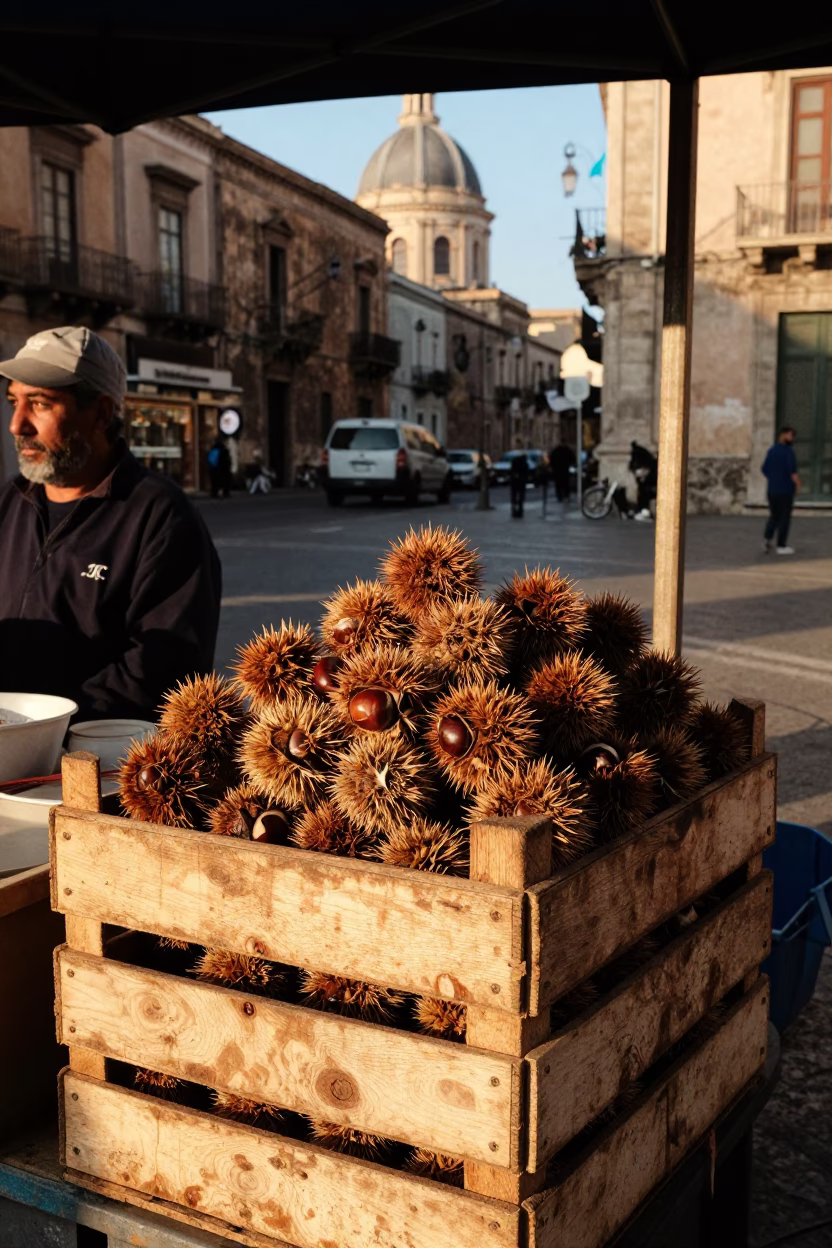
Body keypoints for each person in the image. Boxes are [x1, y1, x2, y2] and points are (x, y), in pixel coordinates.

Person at [0, 326, 222, 722]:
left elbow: (164, 671)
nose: (18, 425)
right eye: (14, 401)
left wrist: (43, 727)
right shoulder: (8, 503)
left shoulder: (161, 517)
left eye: (39, 403)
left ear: (101, 413)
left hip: (98, 767)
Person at [761, 426, 800, 554]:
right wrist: (798, 485)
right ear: (782, 435)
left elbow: (764, 469)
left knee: (774, 516)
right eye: (791, 435)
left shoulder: (771, 450)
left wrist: (774, 478)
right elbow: (792, 472)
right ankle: (781, 545)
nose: (792, 438)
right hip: (785, 490)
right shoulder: (789, 452)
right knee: (784, 518)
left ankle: (767, 539)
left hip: (772, 490)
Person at [629, 440, 658, 522]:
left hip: (651, 487)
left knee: (644, 494)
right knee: (643, 493)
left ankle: (645, 512)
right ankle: (644, 511)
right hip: (649, 486)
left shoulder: (638, 454)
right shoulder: (641, 454)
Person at [549, 437, 576, 503]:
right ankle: (562, 496)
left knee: (563, 483)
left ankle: (563, 496)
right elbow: (552, 459)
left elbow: (572, 459)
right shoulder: (560, 450)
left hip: (562, 469)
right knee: (561, 484)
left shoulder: (562, 450)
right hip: (560, 470)